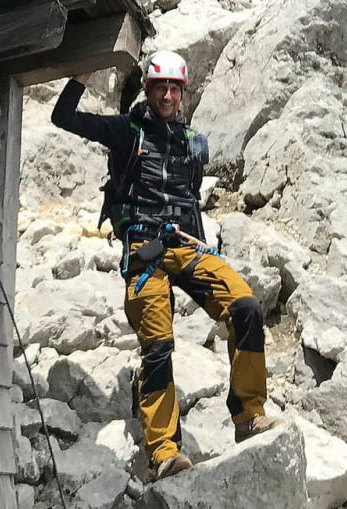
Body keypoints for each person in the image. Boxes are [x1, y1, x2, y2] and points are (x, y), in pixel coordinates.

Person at [51, 50, 274, 481]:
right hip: (144, 250)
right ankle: (164, 451)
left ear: (183, 92)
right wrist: (81, 74)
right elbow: (63, 117)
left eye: (175, 88)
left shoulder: (194, 144)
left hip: (188, 246)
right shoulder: (125, 131)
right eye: (161, 88)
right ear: (149, 91)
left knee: (245, 307)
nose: (168, 95)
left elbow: (189, 199)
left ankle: (249, 416)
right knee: (158, 342)